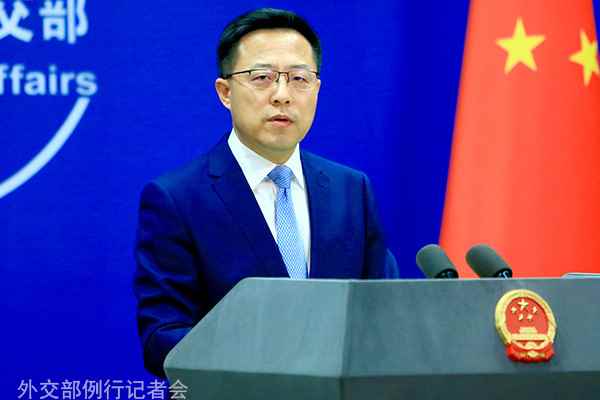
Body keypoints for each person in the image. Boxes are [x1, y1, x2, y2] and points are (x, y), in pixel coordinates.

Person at [133, 8, 399, 378]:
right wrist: (273, 357)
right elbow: (162, 338)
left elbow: (384, 313)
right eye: (262, 78)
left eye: (299, 79)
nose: (282, 95)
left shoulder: (351, 190)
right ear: (225, 92)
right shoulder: (176, 199)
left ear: (317, 89)